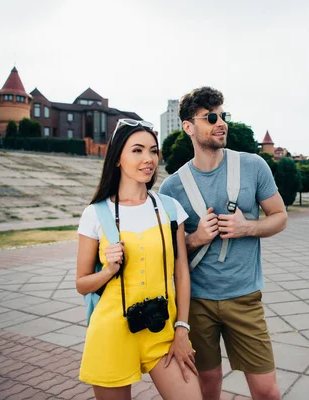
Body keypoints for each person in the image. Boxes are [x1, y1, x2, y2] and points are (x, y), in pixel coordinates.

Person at [160, 87, 288, 400]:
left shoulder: (253, 166)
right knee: (208, 388)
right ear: (189, 127)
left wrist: (248, 227)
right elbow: (168, 253)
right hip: (198, 304)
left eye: (223, 115)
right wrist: (195, 238)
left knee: (267, 392)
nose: (222, 123)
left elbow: (280, 216)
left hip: (244, 297)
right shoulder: (172, 187)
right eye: (211, 117)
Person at [75, 119, 202, 400]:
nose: (148, 159)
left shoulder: (170, 209)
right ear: (117, 158)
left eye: (153, 151)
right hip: (112, 332)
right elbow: (82, 284)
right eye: (137, 150)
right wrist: (109, 269)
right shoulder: (96, 214)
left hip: (162, 330)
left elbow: (181, 273)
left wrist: (182, 328)